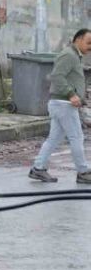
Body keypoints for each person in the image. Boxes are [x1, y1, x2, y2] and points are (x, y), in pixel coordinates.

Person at [29, 28, 91, 183]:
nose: (90, 46)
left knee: (54, 139)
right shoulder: (68, 55)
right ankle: (83, 172)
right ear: (78, 40)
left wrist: (79, 96)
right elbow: (56, 76)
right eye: (88, 42)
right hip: (64, 103)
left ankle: (38, 168)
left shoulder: (74, 56)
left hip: (61, 103)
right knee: (76, 137)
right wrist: (71, 94)